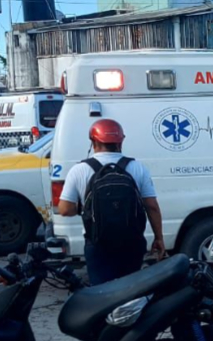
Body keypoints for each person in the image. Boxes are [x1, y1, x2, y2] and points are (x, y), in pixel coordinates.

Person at [57, 119, 164, 285]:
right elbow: (152, 206)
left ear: (93, 142)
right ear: (121, 141)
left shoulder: (79, 170)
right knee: (131, 291)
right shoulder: (137, 168)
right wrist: (159, 238)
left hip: (98, 244)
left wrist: (87, 208)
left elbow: (64, 209)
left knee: (101, 294)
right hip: (132, 243)